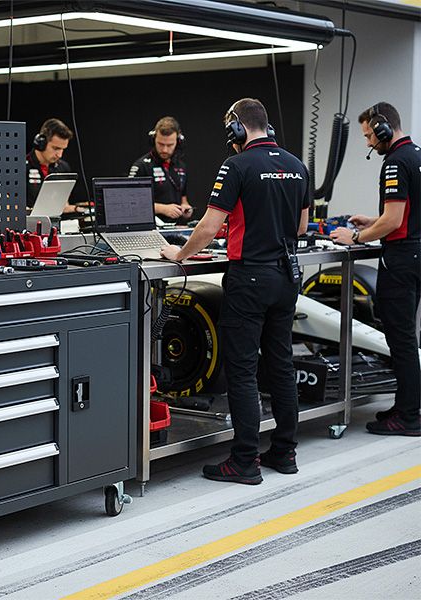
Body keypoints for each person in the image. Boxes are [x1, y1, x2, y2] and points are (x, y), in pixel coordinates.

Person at [161, 98, 310, 484]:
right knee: (280, 364)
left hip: (251, 279)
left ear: (236, 129)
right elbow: (301, 228)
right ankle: (285, 452)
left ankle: (244, 461)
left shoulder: (237, 165)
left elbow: (209, 227)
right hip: (287, 276)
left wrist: (179, 253)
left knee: (242, 371)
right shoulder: (297, 166)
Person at [329, 102, 421, 436]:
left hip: (401, 260)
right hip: (416, 255)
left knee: (401, 340)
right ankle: (407, 406)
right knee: (406, 337)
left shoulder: (396, 162)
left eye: (369, 135)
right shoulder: (418, 155)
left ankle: (410, 417)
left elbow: (395, 220)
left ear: (383, 128)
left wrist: (354, 236)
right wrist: (373, 221)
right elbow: (404, 215)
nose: (368, 143)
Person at [128, 116, 192, 223]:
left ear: (178, 142)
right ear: (153, 140)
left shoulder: (181, 166)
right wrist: (162, 209)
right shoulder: (141, 166)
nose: (165, 150)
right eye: (161, 144)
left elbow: (183, 200)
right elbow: (130, 203)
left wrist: (186, 208)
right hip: (150, 229)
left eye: (170, 145)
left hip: (176, 228)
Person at [26, 118, 79, 214]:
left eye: (63, 149)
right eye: (56, 148)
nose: (59, 155)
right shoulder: (19, 168)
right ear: (41, 143)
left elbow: (64, 204)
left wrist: (76, 209)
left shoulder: (64, 167)